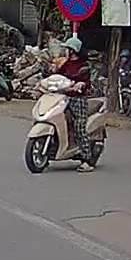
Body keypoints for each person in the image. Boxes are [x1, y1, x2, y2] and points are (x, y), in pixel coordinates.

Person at [52, 36, 95, 172]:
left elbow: (85, 81)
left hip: (78, 99)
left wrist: (80, 84)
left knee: (79, 127)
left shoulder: (84, 66)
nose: (66, 51)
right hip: (63, 97)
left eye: (68, 49)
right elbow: (58, 76)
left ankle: (87, 160)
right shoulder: (67, 63)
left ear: (73, 50)